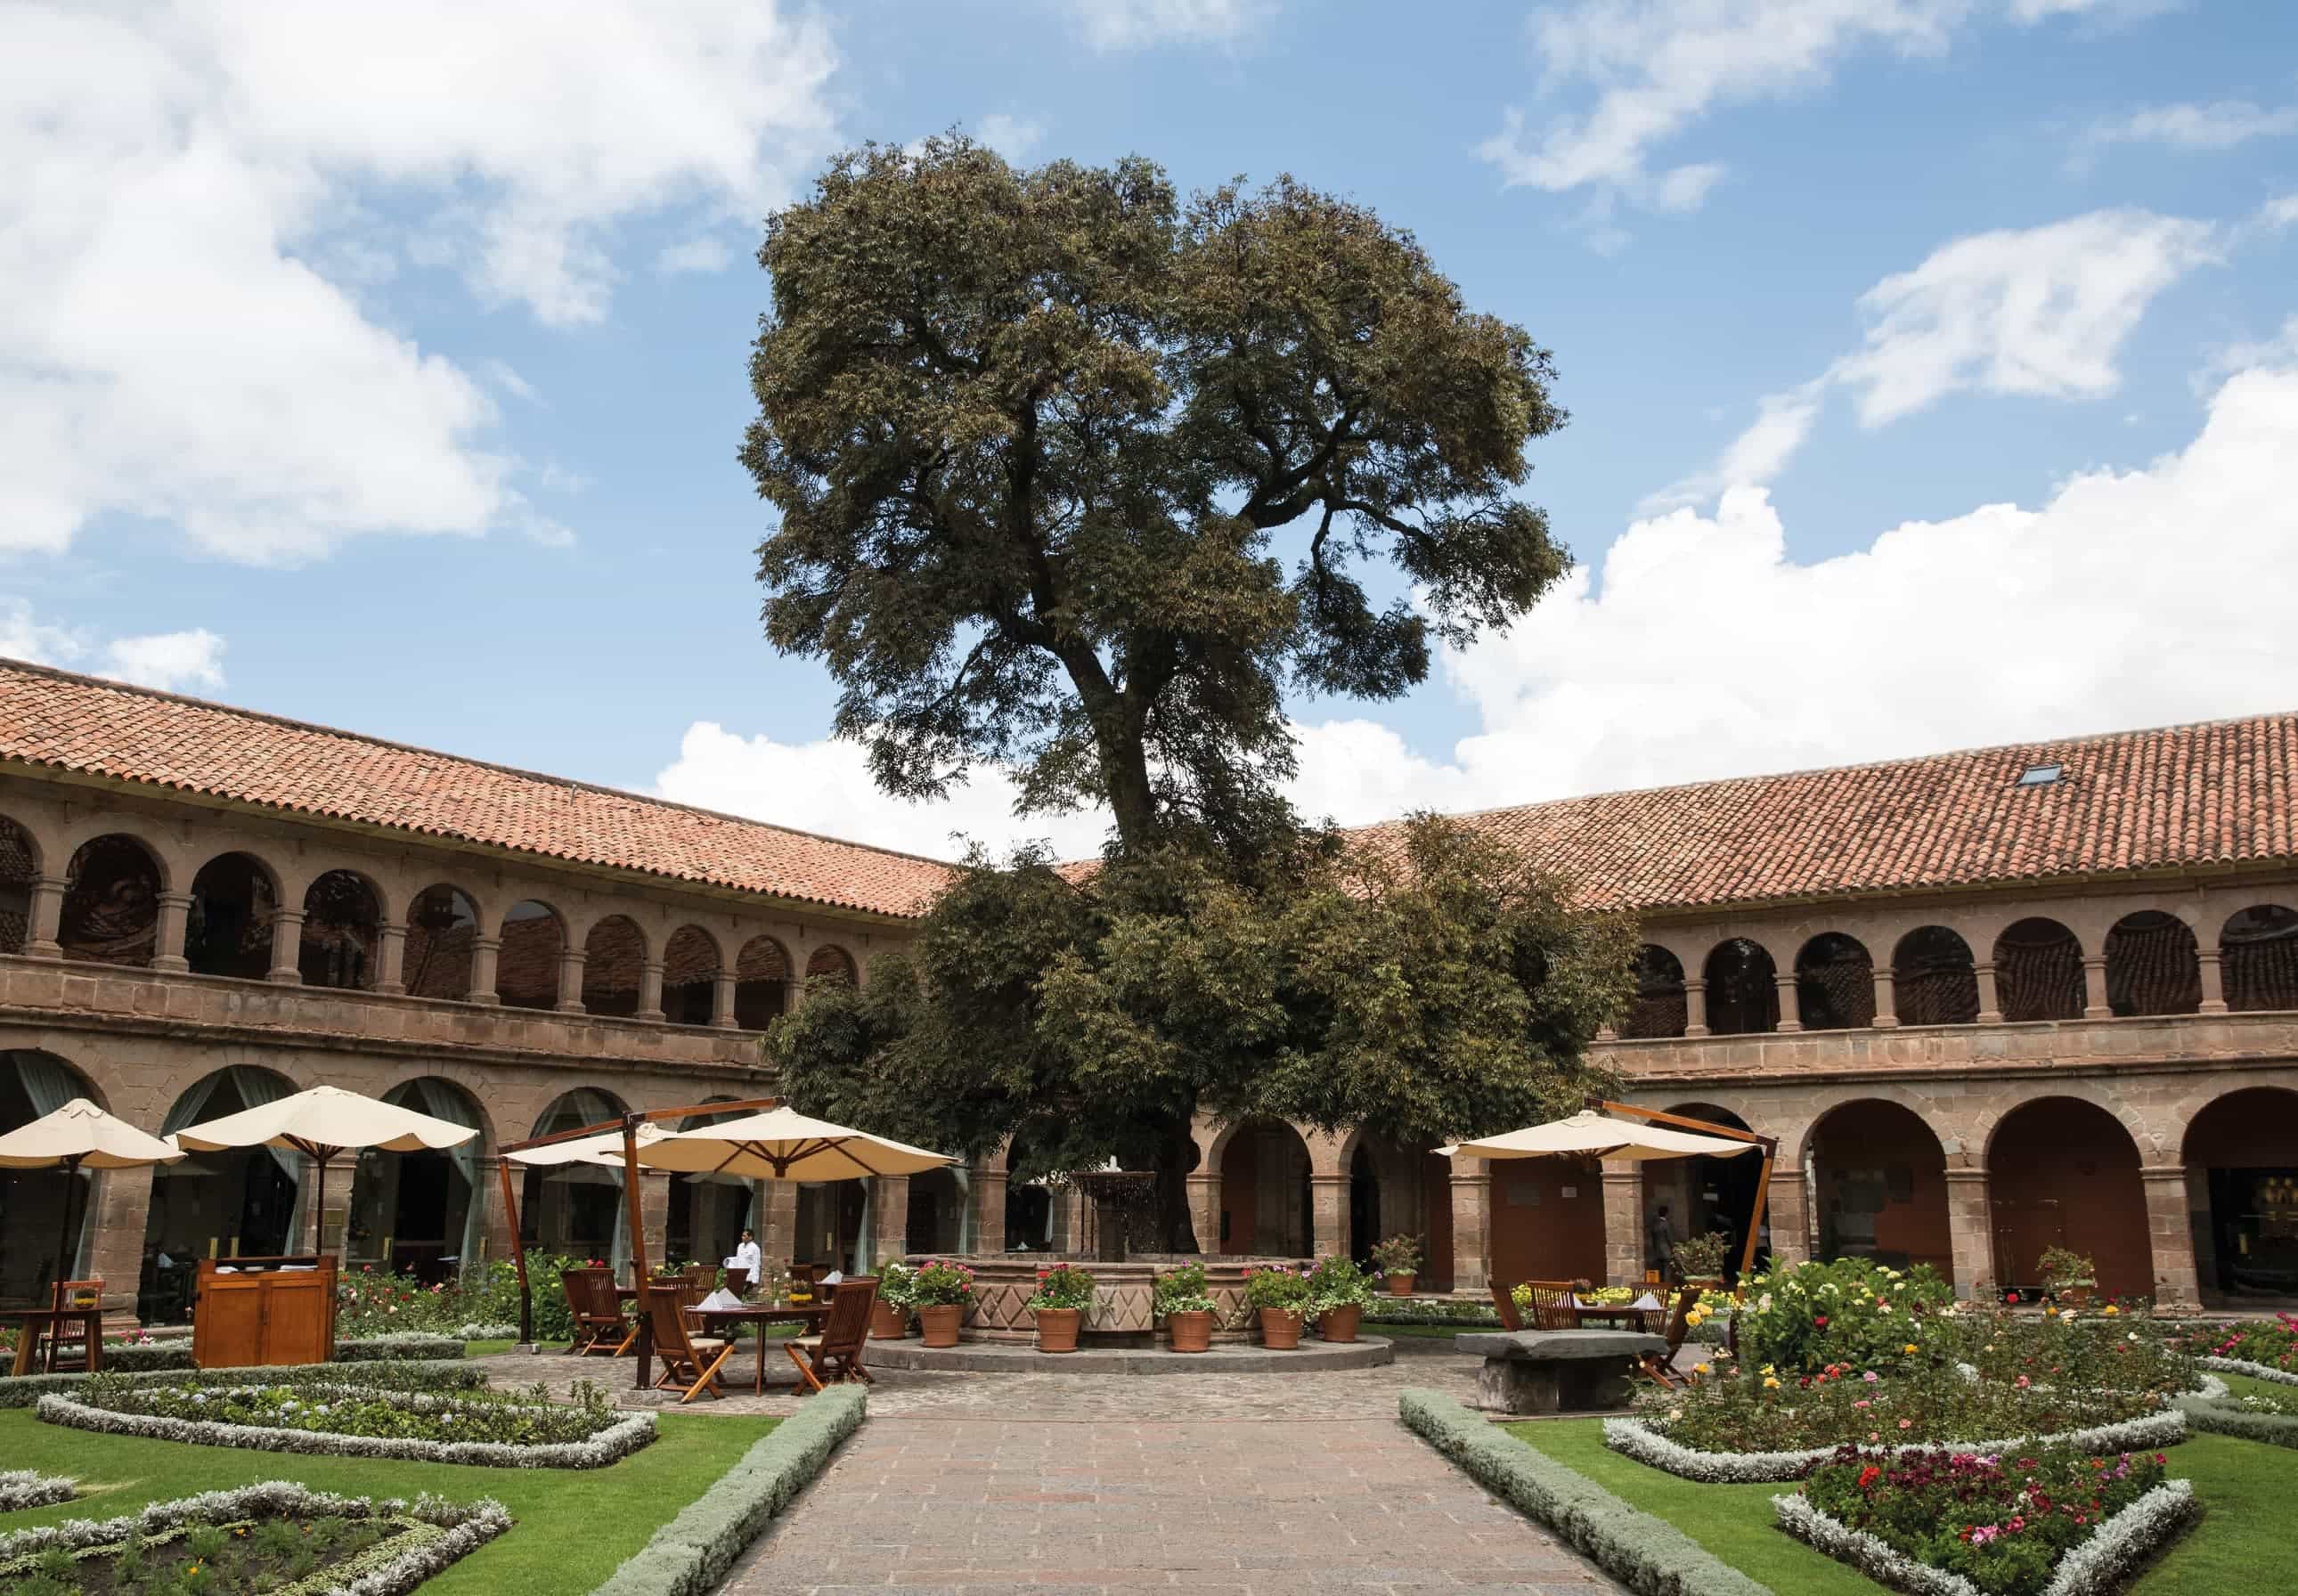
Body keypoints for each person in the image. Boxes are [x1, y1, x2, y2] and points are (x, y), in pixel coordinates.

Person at [1646, 1203, 1678, 1280]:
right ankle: (1666, 1287)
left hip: (1657, 1251)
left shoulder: (1655, 1225)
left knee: (1660, 1271)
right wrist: (1674, 1249)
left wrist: (1655, 1249)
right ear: (1667, 1213)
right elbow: (1670, 1238)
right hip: (1666, 1251)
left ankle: (1660, 1287)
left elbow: (1653, 1239)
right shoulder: (1666, 1224)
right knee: (1668, 1271)